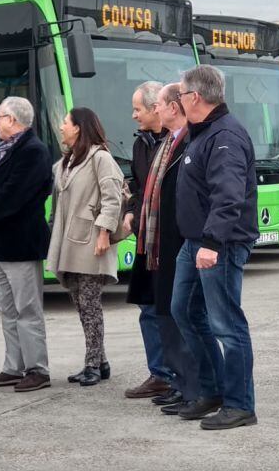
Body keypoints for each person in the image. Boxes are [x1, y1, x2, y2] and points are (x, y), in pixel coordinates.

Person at [173, 65, 259, 430]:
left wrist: (211, 242)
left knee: (226, 323)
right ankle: (212, 390)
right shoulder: (203, 133)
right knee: (185, 311)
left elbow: (229, 194)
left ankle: (241, 405)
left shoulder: (225, 136)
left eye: (179, 95)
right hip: (195, 242)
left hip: (217, 245)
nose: (177, 101)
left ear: (194, 97)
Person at [0, 97, 54, 393]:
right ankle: (13, 366)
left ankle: (37, 369)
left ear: (14, 120)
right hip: (2, 244)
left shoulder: (33, 152)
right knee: (9, 310)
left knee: (27, 309)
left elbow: (13, 195)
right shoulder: (8, 149)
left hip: (21, 243)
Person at [128, 83, 202, 416]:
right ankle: (175, 382)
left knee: (181, 317)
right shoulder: (154, 144)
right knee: (160, 314)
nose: (148, 112)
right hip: (154, 243)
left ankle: (191, 387)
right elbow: (141, 187)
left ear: (172, 107)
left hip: (176, 243)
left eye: (155, 105)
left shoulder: (189, 141)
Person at [47, 107, 124, 387]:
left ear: (78, 127)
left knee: (90, 305)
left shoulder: (100, 158)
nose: (61, 127)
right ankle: (100, 361)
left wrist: (104, 231)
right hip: (70, 242)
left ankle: (92, 364)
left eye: (65, 123)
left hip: (92, 243)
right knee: (80, 303)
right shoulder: (67, 161)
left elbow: (112, 197)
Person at [123, 81, 175, 400]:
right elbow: (139, 185)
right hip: (147, 237)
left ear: (157, 108)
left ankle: (178, 376)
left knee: (173, 309)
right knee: (148, 307)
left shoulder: (178, 140)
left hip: (169, 238)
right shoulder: (141, 143)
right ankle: (159, 373)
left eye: (137, 109)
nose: (133, 116)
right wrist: (131, 210)